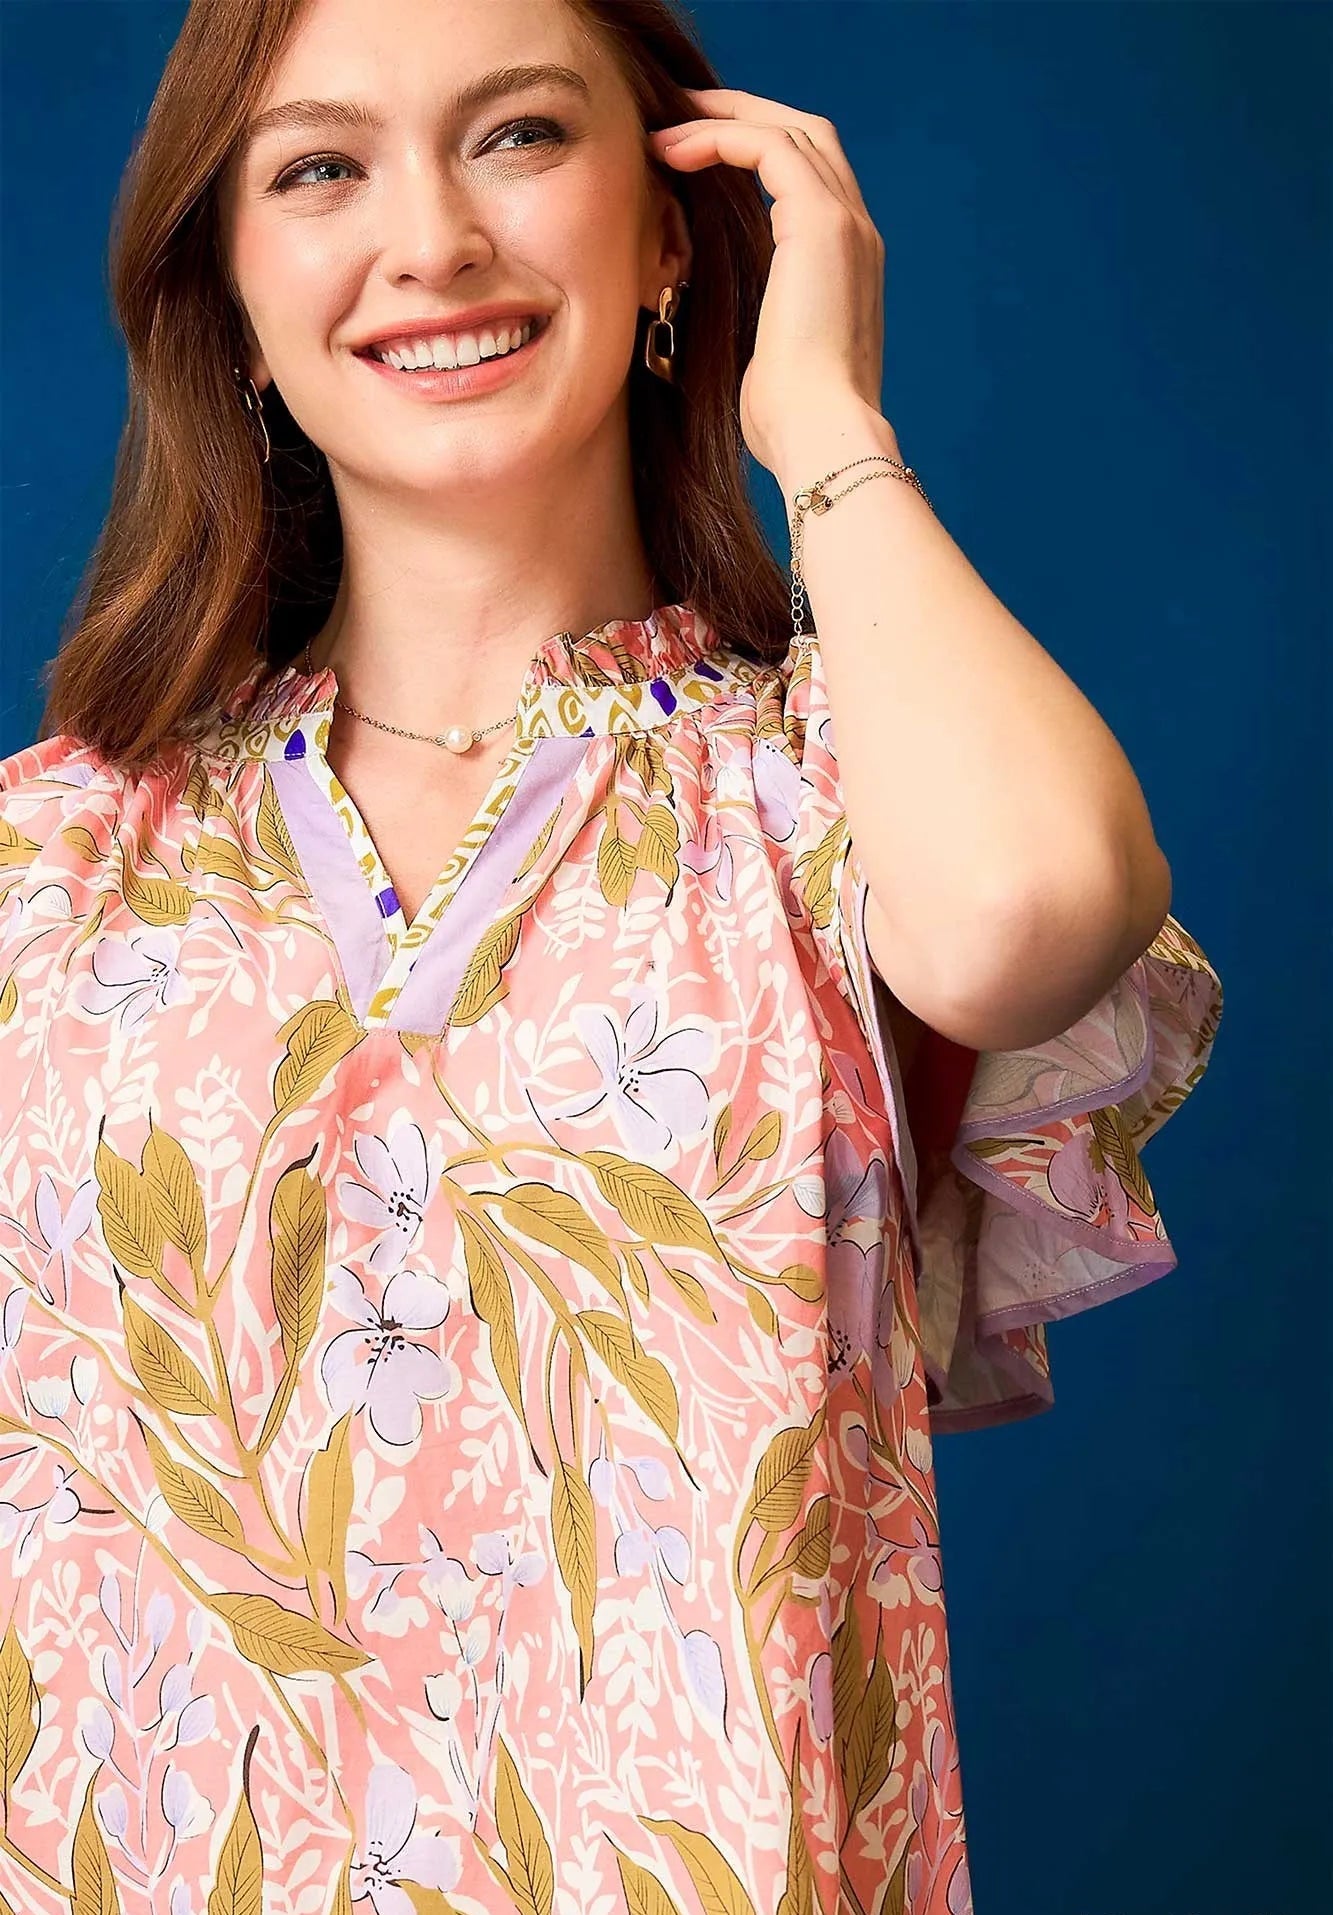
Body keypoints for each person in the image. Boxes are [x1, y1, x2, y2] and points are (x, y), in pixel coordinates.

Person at [0, 1, 1223, 1910]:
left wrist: (815, 413)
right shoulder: (51, 860)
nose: (431, 241)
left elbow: (1031, 914)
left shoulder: (830, 799)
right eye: (321, 169)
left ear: (674, 231)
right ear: (227, 296)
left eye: (517, 138)